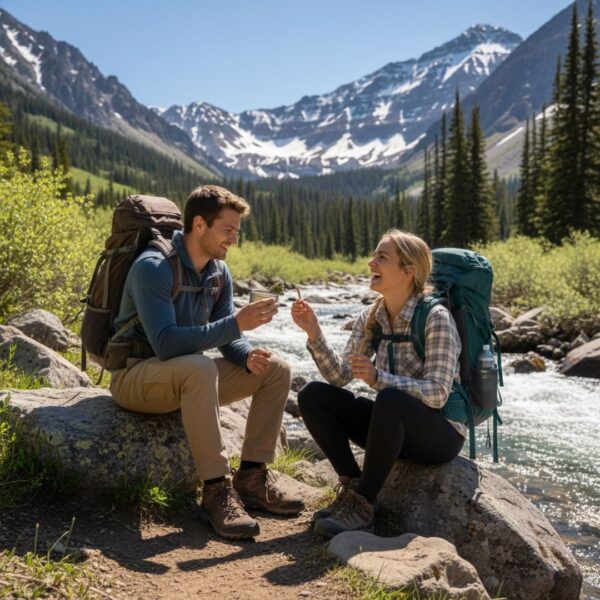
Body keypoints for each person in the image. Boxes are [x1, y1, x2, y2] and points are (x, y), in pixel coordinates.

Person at [110, 185, 304, 540]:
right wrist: (236, 323)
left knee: (277, 369)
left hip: (185, 380)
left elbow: (227, 340)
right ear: (199, 224)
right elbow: (166, 344)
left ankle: (251, 479)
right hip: (135, 376)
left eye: (237, 231)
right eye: (227, 230)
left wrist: (247, 355)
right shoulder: (153, 267)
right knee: (198, 367)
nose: (234, 239)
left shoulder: (218, 273)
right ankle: (216, 490)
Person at [291, 229, 464, 538]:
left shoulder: (436, 317)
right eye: (374, 255)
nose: (371, 262)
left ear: (408, 271)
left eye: (382, 257)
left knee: (390, 398)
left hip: (440, 434)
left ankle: (364, 506)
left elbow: (438, 394)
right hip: (394, 426)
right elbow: (340, 376)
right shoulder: (370, 316)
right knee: (313, 395)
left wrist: (378, 378)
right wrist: (315, 334)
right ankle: (353, 487)